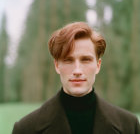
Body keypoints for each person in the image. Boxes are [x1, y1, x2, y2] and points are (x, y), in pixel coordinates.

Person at [12, 22, 140, 134]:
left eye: (86, 60)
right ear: (57, 65)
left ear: (98, 65)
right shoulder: (25, 129)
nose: (77, 70)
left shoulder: (129, 126)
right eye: (68, 60)